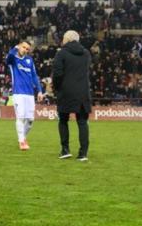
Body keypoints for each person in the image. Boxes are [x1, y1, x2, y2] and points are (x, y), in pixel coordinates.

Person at [52, 30, 92, 161]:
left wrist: (57, 88)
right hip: (82, 91)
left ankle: (65, 150)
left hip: (66, 91)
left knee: (63, 120)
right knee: (82, 122)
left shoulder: (61, 54)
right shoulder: (86, 54)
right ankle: (83, 153)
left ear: (67, 39)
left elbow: (57, 74)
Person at [6, 40, 44, 151]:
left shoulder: (29, 60)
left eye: (27, 49)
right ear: (19, 47)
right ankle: (21, 141)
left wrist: (40, 91)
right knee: (21, 117)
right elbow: (8, 58)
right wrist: (15, 48)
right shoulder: (13, 59)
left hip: (30, 94)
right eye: (24, 47)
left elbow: (34, 76)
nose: (25, 50)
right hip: (18, 93)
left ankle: (23, 137)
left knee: (30, 120)